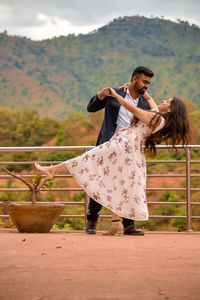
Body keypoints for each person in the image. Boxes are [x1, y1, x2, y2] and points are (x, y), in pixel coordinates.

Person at [35, 89, 190, 236]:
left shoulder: (156, 119)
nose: (164, 100)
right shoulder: (157, 115)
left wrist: (116, 95)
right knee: (112, 181)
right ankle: (116, 222)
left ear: (170, 109)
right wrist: (132, 88)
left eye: (168, 101)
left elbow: (133, 109)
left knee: (88, 159)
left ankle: (52, 170)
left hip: (124, 146)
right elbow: (149, 99)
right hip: (127, 148)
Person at [85, 65, 154, 235]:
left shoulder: (144, 102)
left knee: (127, 185)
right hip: (108, 145)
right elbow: (91, 108)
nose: (146, 85)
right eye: (144, 81)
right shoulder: (114, 93)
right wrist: (100, 95)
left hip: (129, 149)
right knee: (99, 182)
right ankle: (91, 220)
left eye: (149, 83)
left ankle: (129, 225)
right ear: (134, 79)